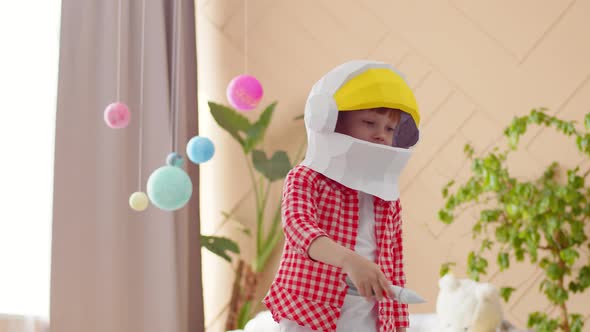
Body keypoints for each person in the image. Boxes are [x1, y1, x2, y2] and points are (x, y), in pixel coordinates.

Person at [263, 60, 421, 332]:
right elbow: (299, 229)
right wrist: (351, 261)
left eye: (389, 129)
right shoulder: (305, 178)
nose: (381, 135)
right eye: (370, 122)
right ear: (331, 121)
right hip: (310, 311)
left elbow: (393, 261)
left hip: (366, 314)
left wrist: (397, 322)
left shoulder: (386, 196)